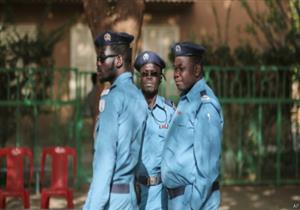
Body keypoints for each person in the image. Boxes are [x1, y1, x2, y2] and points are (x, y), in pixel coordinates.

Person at [83, 31, 148, 210]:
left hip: (112, 198)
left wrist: (92, 206)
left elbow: (105, 160)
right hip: (129, 197)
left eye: (102, 58)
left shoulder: (114, 99)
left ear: (118, 60)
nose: (98, 64)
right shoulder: (137, 96)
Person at [161, 42, 224, 210]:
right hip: (178, 200)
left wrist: (192, 205)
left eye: (181, 69)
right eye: (175, 69)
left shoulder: (205, 106)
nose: (175, 74)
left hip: (192, 201)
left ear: (196, 70)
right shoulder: (186, 100)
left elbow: (208, 170)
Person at [134, 51, 175, 210]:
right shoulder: (128, 108)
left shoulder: (170, 111)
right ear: (140, 78)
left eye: (154, 73)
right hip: (133, 189)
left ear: (160, 78)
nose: (149, 77)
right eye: (145, 74)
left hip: (160, 194)